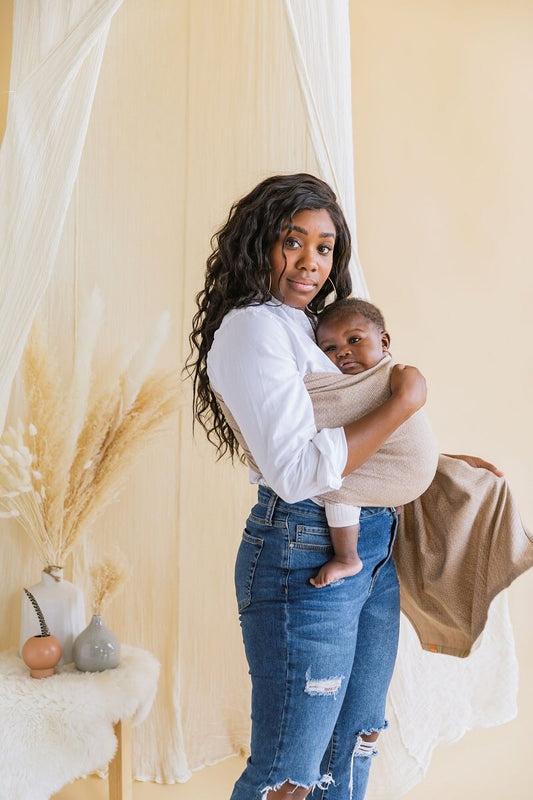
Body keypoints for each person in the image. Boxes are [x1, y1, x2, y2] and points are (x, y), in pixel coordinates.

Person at [186, 173, 495, 800]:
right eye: (292, 242)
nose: (310, 262)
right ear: (256, 243)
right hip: (304, 550)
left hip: (370, 549)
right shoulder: (252, 330)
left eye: (324, 247)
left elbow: (343, 426)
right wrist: (404, 404)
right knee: (289, 772)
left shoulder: (307, 325)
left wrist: (431, 459)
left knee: (354, 742)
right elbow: (299, 471)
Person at [310, 296, 421, 588]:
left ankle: (346, 557)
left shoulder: (394, 376)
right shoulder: (341, 385)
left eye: (354, 340)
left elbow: (405, 431)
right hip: (385, 484)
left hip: (400, 479)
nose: (343, 352)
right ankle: (348, 556)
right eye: (330, 348)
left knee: (335, 488)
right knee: (336, 480)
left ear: (383, 342)